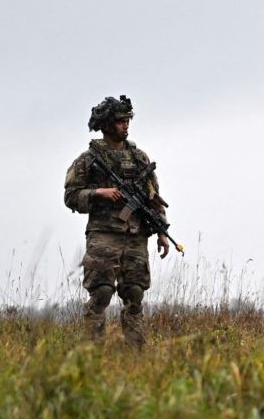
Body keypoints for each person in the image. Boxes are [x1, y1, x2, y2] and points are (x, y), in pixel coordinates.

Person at [64, 95, 171, 347]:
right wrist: (99, 193)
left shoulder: (139, 159)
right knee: (101, 293)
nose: (126, 125)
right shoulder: (89, 159)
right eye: (121, 121)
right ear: (107, 124)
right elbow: (70, 196)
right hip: (104, 234)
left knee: (134, 294)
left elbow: (154, 198)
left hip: (135, 235)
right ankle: (93, 354)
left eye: (127, 120)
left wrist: (162, 232)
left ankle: (135, 355)